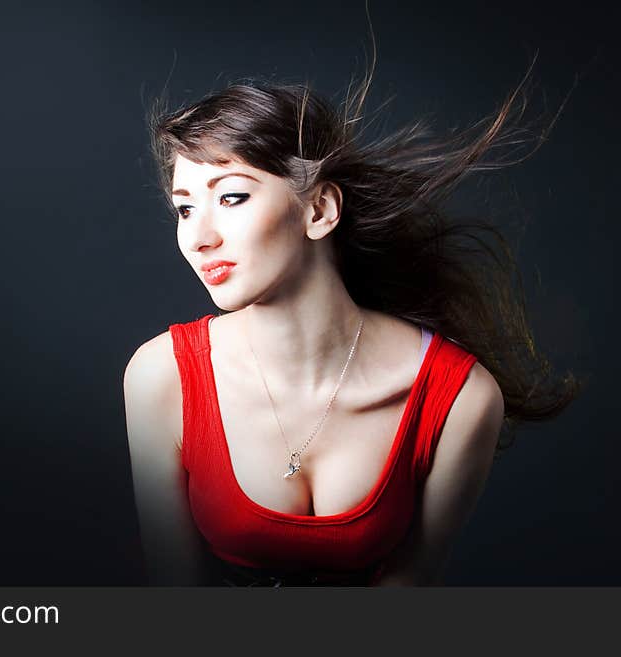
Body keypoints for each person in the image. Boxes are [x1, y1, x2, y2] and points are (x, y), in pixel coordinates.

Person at [123, 66, 580, 586]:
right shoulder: (162, 376)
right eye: (184, 209)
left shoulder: (460, 399)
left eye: (231, 197)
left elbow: (409, 586)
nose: (198, 238)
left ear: (319, 209)